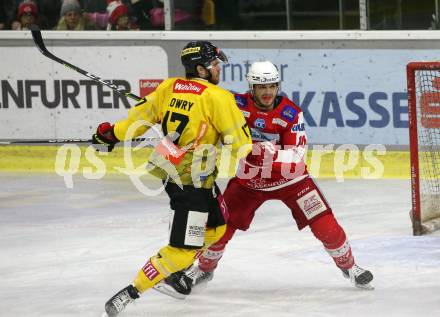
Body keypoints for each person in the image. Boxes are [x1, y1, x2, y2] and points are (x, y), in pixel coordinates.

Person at [161, 61, 374, 297]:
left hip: (292, 181)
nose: (267, 92)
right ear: (251, 87)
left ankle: (349, 267)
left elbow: (297, 158)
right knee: (219, 228)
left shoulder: (291, 113)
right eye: (261, 86)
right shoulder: (234, 104)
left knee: (327, 226)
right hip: (248, 182)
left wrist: (260, 152)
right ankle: (203, 269)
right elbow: (203, 107)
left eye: (272, 86)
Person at [93, 41, 252, 316]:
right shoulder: (219, 97)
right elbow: (241, 145)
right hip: (191, 183)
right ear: (201, 69)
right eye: (215, 65)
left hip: (174, 171)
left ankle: (173, 269)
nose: (218, 69)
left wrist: (110, 134)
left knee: (216, 229)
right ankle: (132, 291)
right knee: (182, 249)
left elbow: (135, 122)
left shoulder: (169, 87)